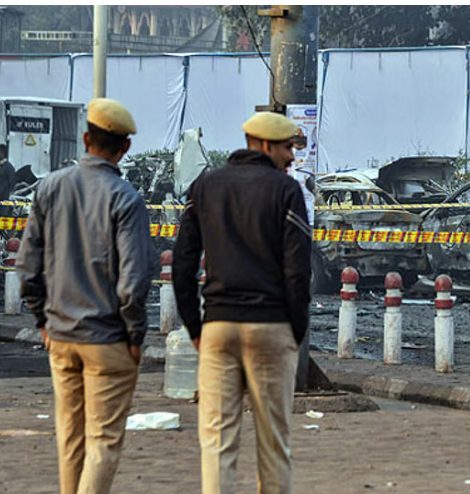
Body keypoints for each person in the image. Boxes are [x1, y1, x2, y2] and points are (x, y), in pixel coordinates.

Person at [16, 98, 155, 494]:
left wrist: (42, 321)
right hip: (108, 339)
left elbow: (27, 266)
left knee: (70, 437)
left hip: (60, 336)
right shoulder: (126, 198)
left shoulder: (50, 187)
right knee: (103, 440)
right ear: (125, 147)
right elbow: (133, 281)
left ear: (85, 139)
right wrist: (135, 334)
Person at [172, 112, 311, 494]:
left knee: (217, 442)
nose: (292, 157)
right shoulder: (286, 191)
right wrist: (295, 331)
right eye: (287, 148)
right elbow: (298, 271)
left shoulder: (205, 186)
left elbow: (182, 264)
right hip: (271, 327)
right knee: (274, 443)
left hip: (218, 327)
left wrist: (196, 327)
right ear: (265, 145)